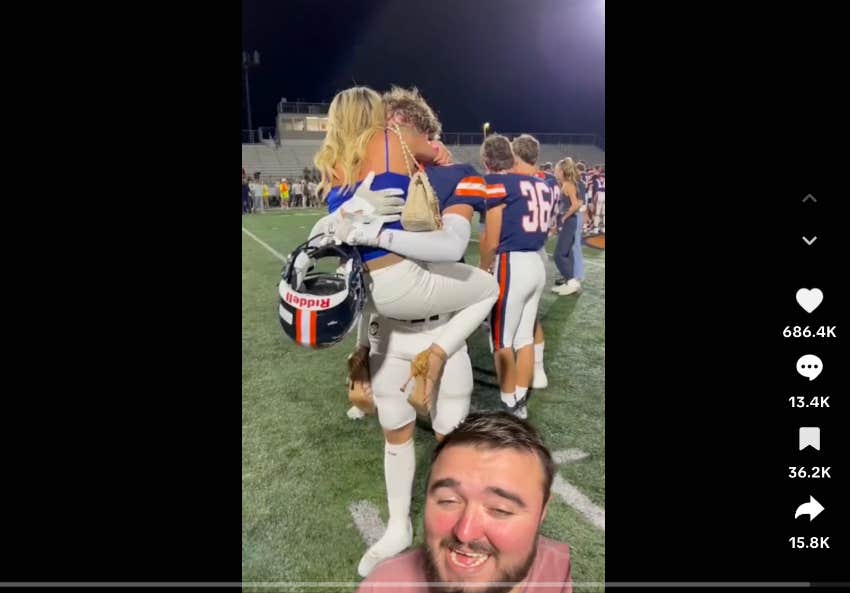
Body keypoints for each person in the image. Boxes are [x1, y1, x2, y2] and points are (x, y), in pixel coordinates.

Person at [317, 86, 495, 577]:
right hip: (386, 328)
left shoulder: (456, 175)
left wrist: (372, 228)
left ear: (416, 129)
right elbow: (360, 268)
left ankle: (452, 530)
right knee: (394, 435)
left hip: (440, 328)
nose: (385, 134)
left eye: (394, 126)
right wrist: (359, 350)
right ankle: (398, 527)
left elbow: (452, 244)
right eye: (383, 124)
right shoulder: (366, 170)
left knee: (451, 440)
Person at [313, 86, 499, 417]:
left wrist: (347, 213)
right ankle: (436, 358)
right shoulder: (392, 143)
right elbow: (452, 245)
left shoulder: (333, 161)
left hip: (360, 290)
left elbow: (318, 237)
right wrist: (435, 152)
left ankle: (359, 358)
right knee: (488, 289)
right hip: (407, 287)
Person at [357, 411, 572, 593]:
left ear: (543, 510)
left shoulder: (558, 569)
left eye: (500, 509)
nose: (465, 532)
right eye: (448, 501)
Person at [478, 136, 551, 420]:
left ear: (486, 161)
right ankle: (520, 397)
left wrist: (484, 269)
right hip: (537, 262)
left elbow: (491, 240)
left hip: (513, 263)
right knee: (524, 337)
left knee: (501, 340)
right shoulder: (541, 183)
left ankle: (510, 402)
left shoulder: (498, 183)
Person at [510, 134, 556, 390]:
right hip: (539, 253)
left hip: (518, 254)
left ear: (516, 155)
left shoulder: (514, 183)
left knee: (512, 324)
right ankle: (537, 370)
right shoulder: (547, 184)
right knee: (531, 315)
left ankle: (515, 388)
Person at [551, 159, 583, 296]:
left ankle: (572, 282)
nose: (555, 171)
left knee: (559, 254)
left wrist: (564, 217)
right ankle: (569, 282)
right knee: (567, 253)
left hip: (569, 221)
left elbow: (576, 205)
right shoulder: (565, 183)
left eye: (557, 169)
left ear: (562, 171)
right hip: (569, 221)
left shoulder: (568, 184)